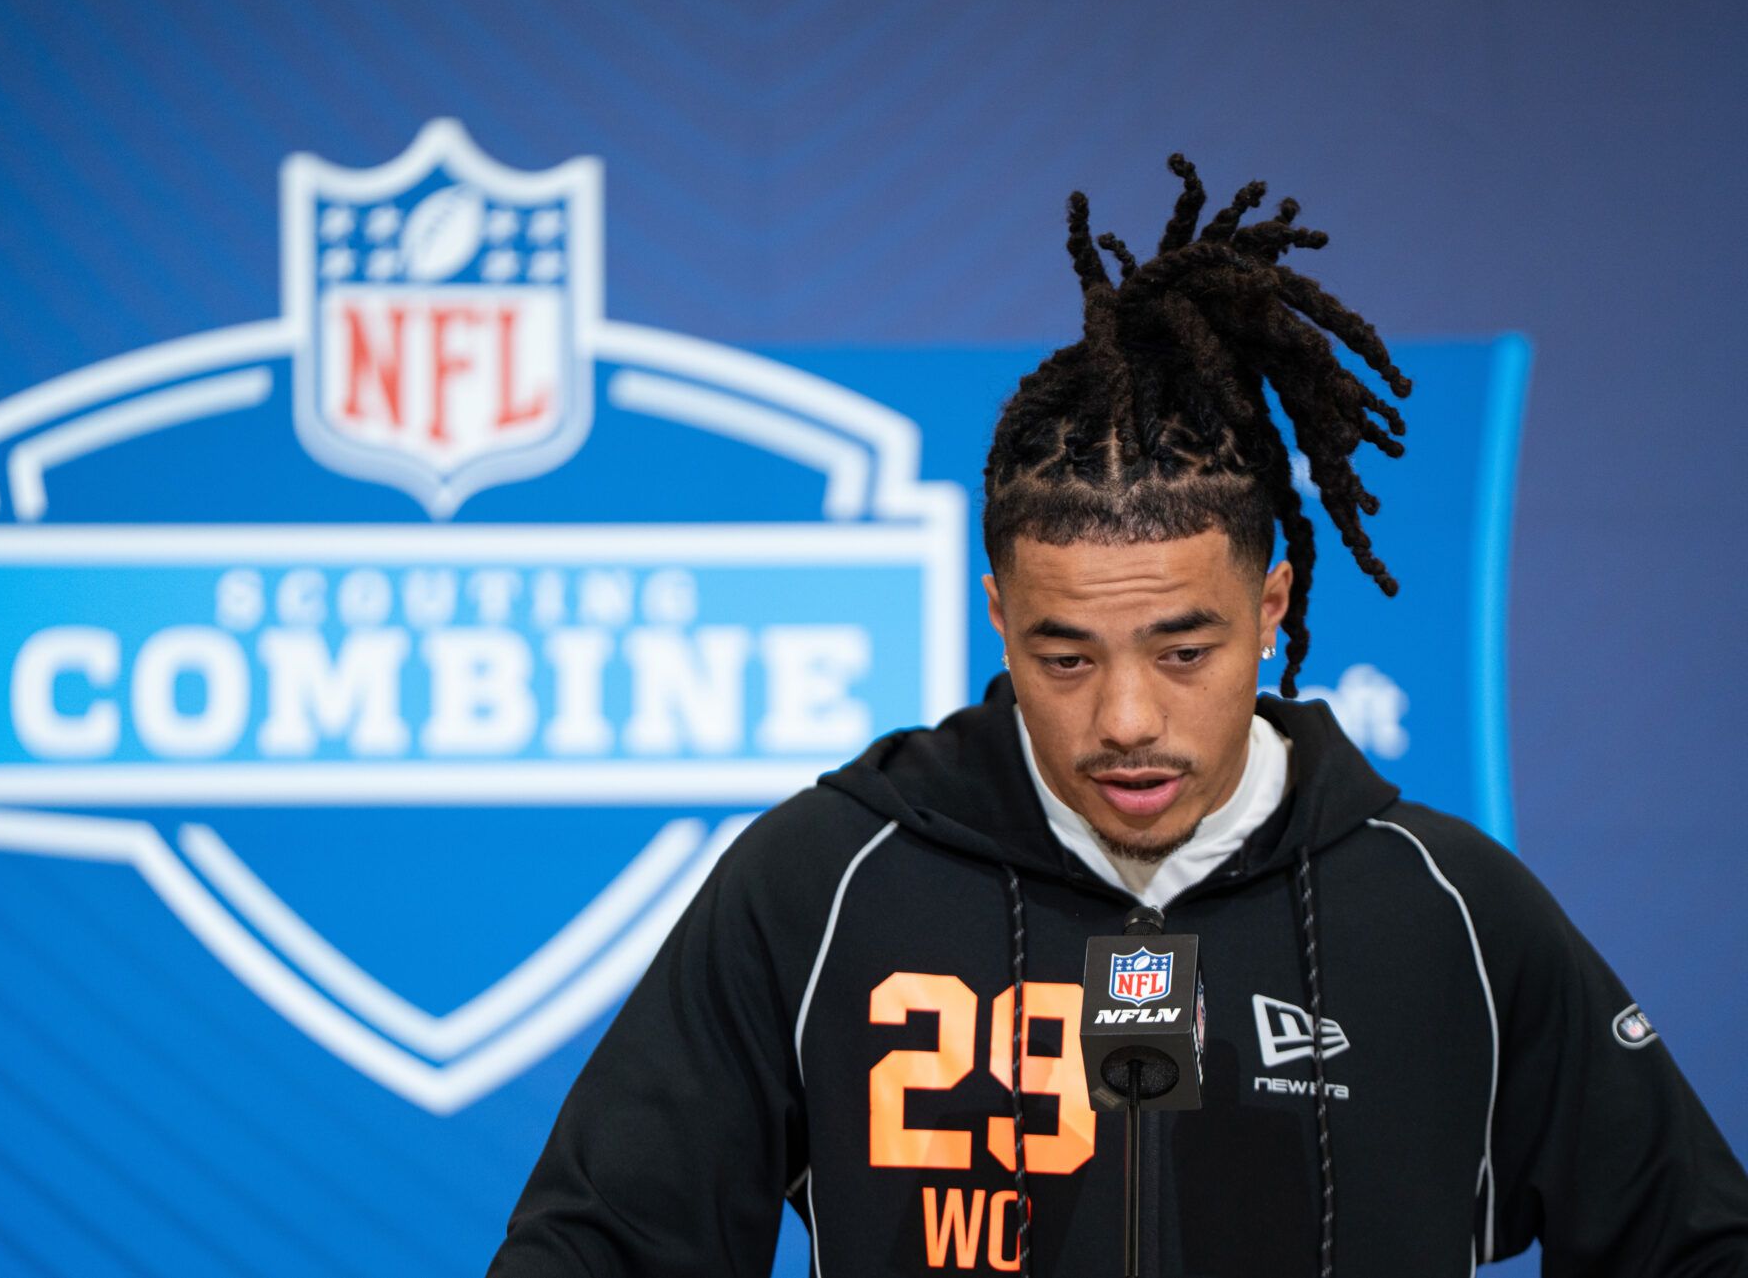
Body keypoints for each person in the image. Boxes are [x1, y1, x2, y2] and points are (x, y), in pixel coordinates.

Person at [487, 155, 1748, 1276]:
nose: (1127, 719)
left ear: (1271, 606)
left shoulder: (1452, 913)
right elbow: (598, 1250)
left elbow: (1691, 1243)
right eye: (1066, 655)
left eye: (1183, 650)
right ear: (998, 616)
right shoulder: (819, 885)